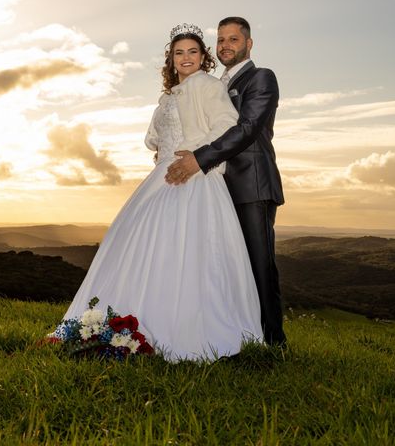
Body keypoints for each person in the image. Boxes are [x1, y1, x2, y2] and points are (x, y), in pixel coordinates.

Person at [58, 23, 263, 362]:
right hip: (161, 177)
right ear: (170, 59)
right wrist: (163, 152)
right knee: (137, 243)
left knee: (186, 249)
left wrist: (195, 153)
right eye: (179, 52)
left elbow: (227, 126)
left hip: (195, 176)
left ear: (204, 58)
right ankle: (131, 319)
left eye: (193, 51)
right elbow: (155, 137)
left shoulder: (209, 87)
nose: (186, 57)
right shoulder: (168, 96)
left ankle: (184, 326)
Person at [165, 17, 287, 346]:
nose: (225, 46)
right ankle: (238, 333)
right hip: (217, 188)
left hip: (251, 184)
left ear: (249, 43)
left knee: (259, 264)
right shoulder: (211, 83)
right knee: (229, 266)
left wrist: (198, 158)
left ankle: (274, 342)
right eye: (220, 40)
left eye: (233, 39)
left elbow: (246, 129)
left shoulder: (261, 78)